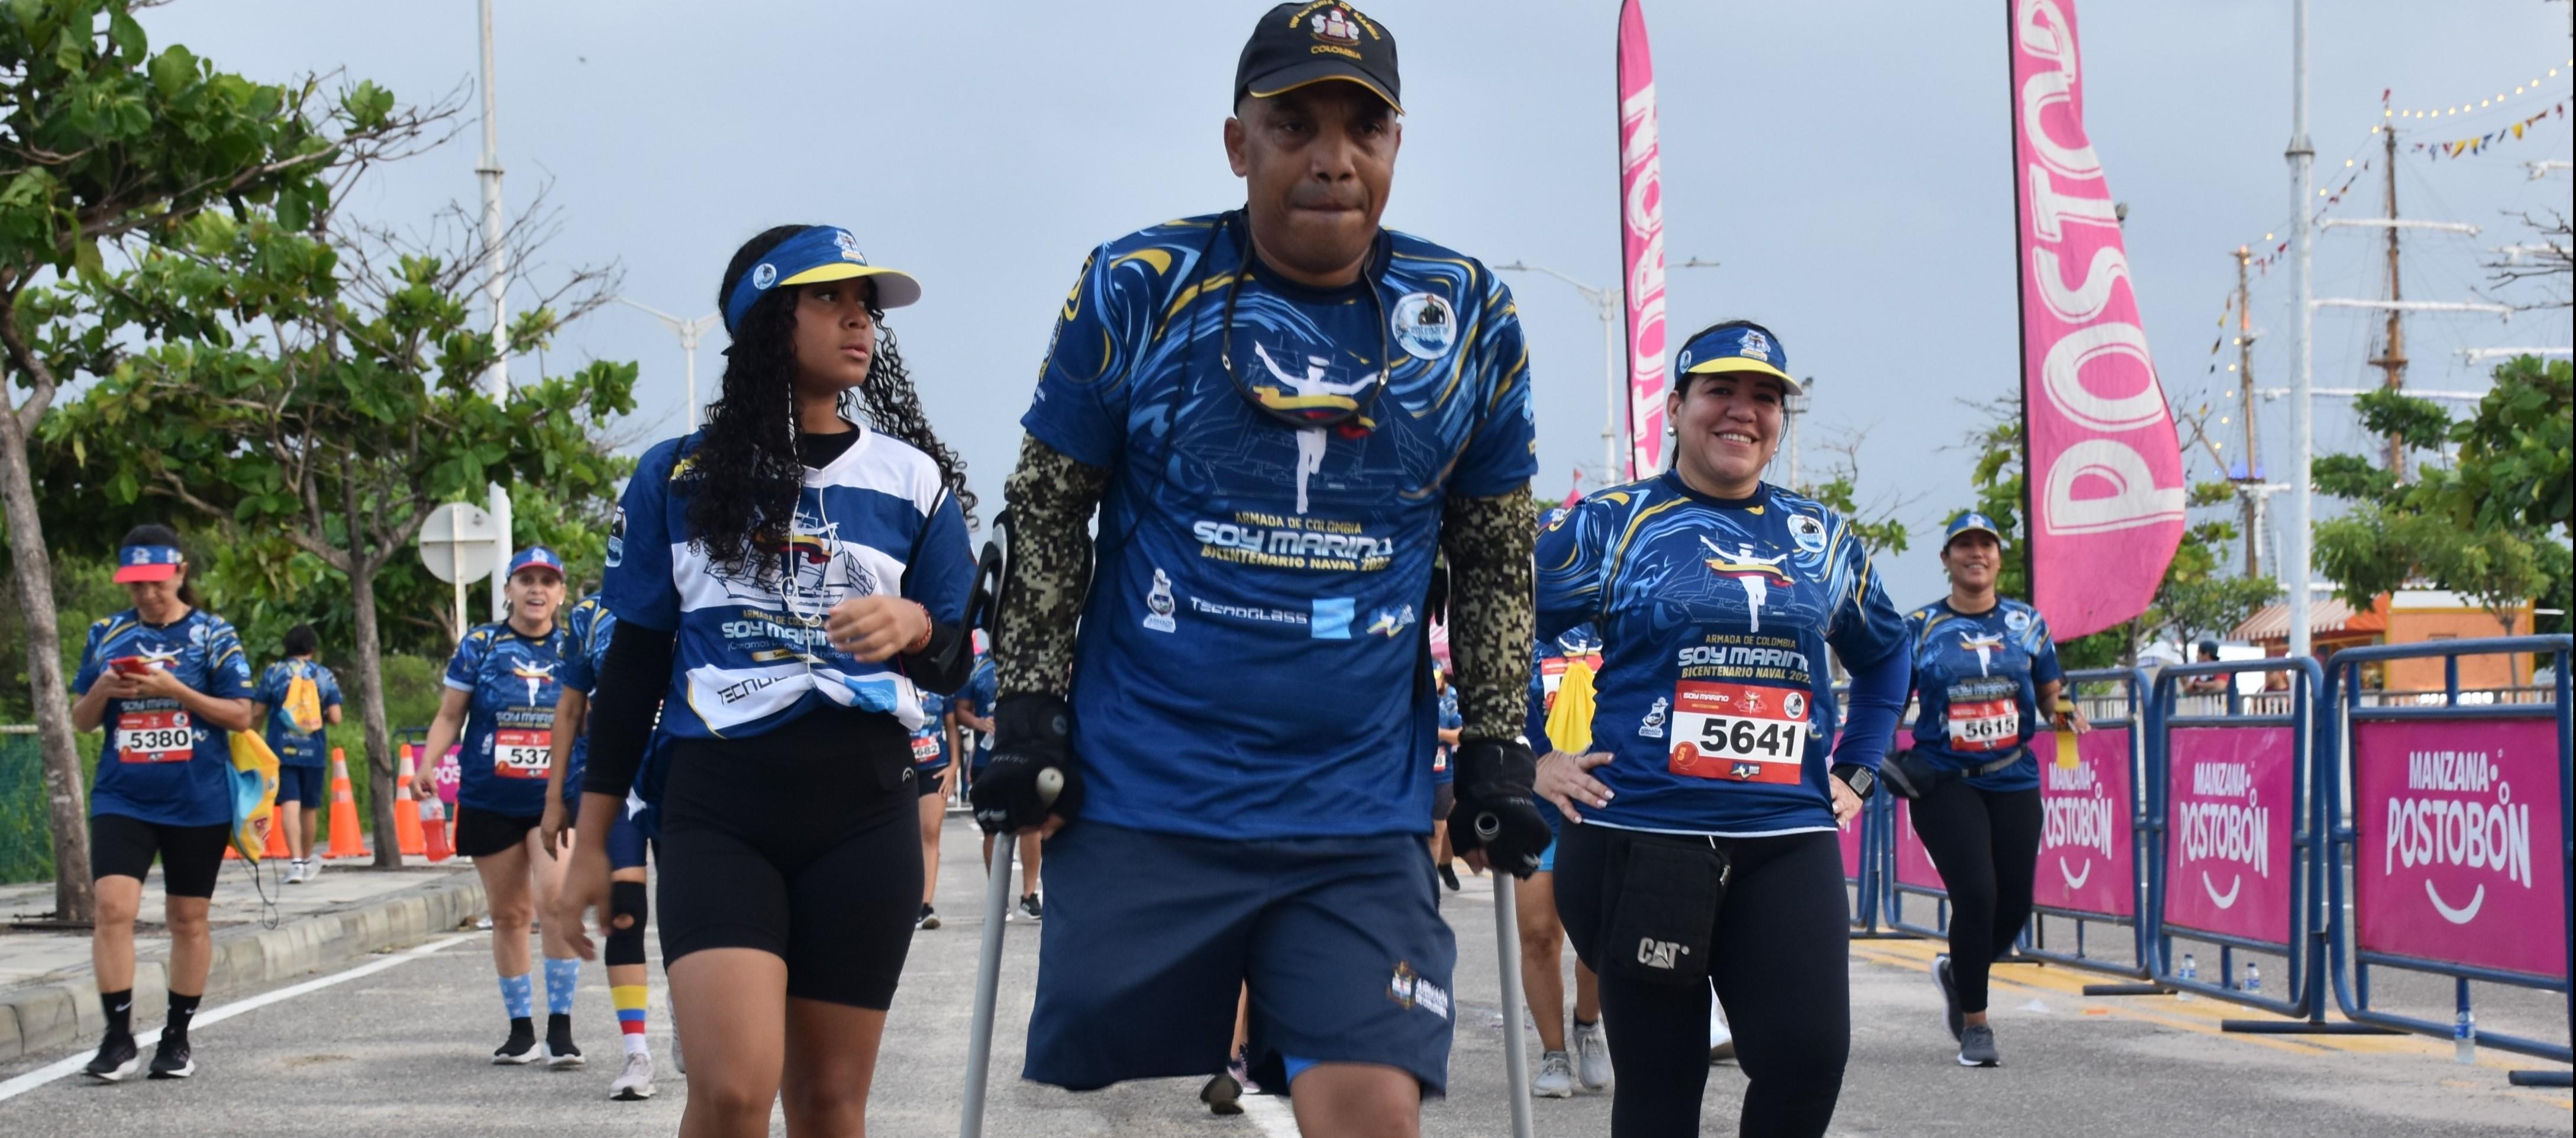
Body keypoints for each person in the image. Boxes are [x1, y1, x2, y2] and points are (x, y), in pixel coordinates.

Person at [971, 7, 1550, 1134]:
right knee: (1120, 1092)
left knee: (1373, 1106)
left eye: (1362, 128)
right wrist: (1028, 712)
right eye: (1294, 125)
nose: (1332, 157)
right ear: (1239, 143)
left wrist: (1497, 742)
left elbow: (1490, 547)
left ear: (1394, 144)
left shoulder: (1467, 311)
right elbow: (1048, 506)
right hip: (1151, 787)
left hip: (1354, 806)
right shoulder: (1137, 281)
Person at [551, 223, 976, 1138]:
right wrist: (593, 838)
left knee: (828, 1104)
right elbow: (631, 667)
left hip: (865, 808)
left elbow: (958, 654)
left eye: (866, 303)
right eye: (830, 297)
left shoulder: (911, 479)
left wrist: (916, 624)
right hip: (719, 805)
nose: (858, 317)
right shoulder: (675, 474)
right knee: (736, 1089)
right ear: (766, 318)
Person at [1534, 320, 1911, 1137]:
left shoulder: (1820, 539)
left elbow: (1887, 655)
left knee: (1808, 1058)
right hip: (1642, 834)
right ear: (1675, 406)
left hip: (1785, 836)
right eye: (1720, 390)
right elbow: (1503, 624)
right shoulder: (1611, 524)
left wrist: (1859, 767)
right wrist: (1533, 754)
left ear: (1780, 420)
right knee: (1662, 1085)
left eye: (1765, 397)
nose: (1743, 411)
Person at [1893, 511, 2086, 1068]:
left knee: (2015, 902)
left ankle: (1959, 971)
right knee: (1976, 893)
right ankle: (1975, 1024)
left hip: (2013, 775)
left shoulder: (2027, 623)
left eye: (1986, 545)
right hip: (1944, 781)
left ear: (2000, 556)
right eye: (1963, 546)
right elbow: (1891, 697)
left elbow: (2052, 693)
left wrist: (2067, 716)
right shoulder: (1921, 627)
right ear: (1947, 558)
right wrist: (1878, 750)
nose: (1975, 554)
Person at [70, 524, 257, 1082]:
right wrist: (104, 688)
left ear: (180, 574)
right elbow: (81, 720)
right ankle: (118, 1035)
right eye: (136, 586)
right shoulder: (107, 633)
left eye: (156, 583)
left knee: (187, 919)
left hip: (197, 798)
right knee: (112, 910)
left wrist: (175, 691)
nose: (147, 595)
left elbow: (241, 714)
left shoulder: (212, 635)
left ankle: (175, 1038)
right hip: (122, 794)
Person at [414, 546, 584, 1068]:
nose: (537, 590)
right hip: (490, 795)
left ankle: (561, 1028)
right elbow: (450, 714)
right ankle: (520, 1030)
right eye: (526, 580)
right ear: (508, 588)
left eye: (547, 581)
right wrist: (427, 762)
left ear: (560, 592)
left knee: (555, 900)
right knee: (509, 913)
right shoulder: (481, 644)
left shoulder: (574, 645)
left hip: (555, 798)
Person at [541, 590, 662, 1100]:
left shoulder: (696, 588)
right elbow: (569, 710)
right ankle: (637, 1052)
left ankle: (693, 1023)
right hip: (616, 778)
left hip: (688, 767)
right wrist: (553, 797)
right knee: (626, 911)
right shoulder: (589, 615)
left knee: (693, 908)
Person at [1518, 622, 1609, 1099]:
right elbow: (1507, 693)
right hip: (1540, 809)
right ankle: (1554, 1053)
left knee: (1596, 936)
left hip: (1604, 803)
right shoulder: (1532, 627)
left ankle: (1588, 1024)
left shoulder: (1620, 611)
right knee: (1538, 934)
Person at [250, 623, 343, 884]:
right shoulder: (324, 676)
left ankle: (296, 863)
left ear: (286, 648)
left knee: (290, 803)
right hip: (313, 751)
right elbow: (336, 717)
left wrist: (251, 738)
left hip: (281, 749)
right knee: (309, 807)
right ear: (313, 649)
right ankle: (307, 857)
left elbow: (257, 713)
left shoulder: (274, 673)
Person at [957, 640, 1040, 920]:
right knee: (992, 828)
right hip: (987, 758)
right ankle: (998, 899)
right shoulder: (978, 665)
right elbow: (961, 709)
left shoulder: (1030, 657)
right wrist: (979, 723)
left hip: (1024, 755)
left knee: (1030, 825)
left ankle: (1029, 897)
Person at [912, 684, 954, 930]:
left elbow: (952, 727)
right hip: (900, 769)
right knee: (905, 840)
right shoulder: (894, 673)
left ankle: (925, 906)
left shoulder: (940, 682)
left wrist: (954, 766)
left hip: (936, 769)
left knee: (931, 833)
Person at [1429, 665, 1460, 890]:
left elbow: (1460, 735)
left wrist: (1437, 732)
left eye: (1436, 678)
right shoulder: (1407, 698)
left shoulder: (1448, 702)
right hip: (1415, 770)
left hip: (1443, 772)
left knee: (1438, 828)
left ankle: (1431, 883)